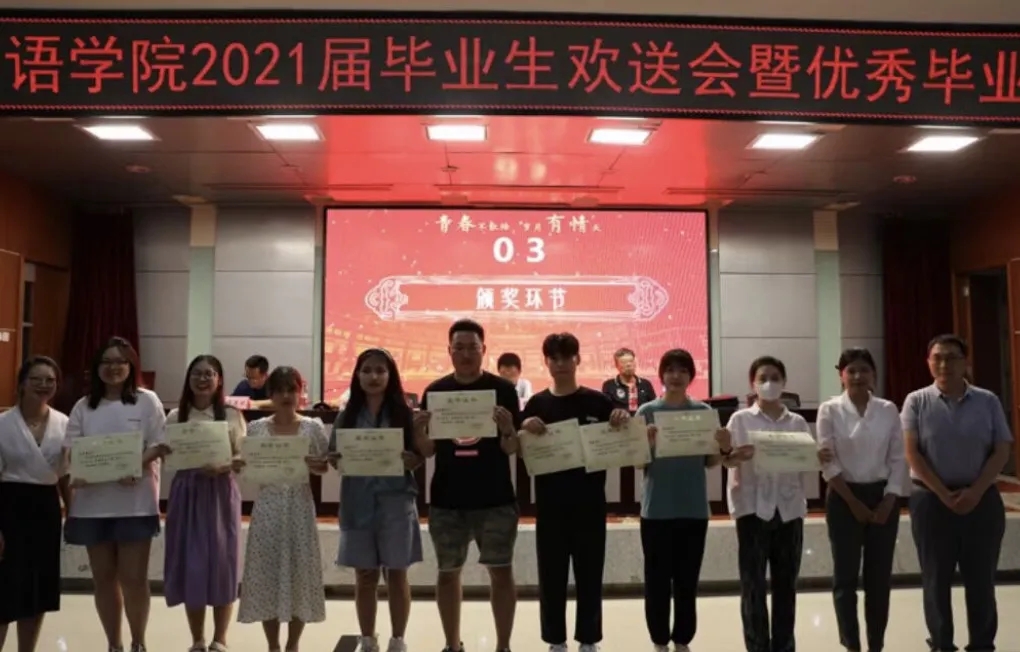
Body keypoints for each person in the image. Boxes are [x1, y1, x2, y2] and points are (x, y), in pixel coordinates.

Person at [413, 319, 521, 652]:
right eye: (458, 347)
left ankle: (503, 646)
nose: (465, 354)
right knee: (448, 573)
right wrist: (418, 430)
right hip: (447, 499)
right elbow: (428, 450)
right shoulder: (435, 391)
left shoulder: (503, 390)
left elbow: (511, 448)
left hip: (495, 497)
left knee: (501, 573)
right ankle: (452, 644)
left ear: (483, 350)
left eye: (472, 347)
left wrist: (508, 428)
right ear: (449, 351)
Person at [518, 333, 629, 652]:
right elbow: (521, 451)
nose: (561, 363)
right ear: (546, 362)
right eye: (554, 358)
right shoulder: (536, 405)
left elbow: (622, 440)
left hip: (590, 504)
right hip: (550, 506)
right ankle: (555, 640)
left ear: (578, 359)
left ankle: (589, 639)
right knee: (551, 575)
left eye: (567, 357)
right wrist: (525, 429)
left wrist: (622, 419)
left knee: (590, 575)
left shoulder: (599, 402)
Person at [902, 334, 1012, 652]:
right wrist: (942, 494)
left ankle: (982, 644)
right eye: (937, 358)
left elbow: (1002, 449)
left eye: (951, 357)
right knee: (935, 579)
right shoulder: (916, 401)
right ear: (928, 362)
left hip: (981, 500)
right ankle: (941, 643)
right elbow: (912, 453)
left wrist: (975, 492)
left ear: (965, 363)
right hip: (931, 501)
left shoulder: (987, 401)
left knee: (981, 579)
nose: (943, 364)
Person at [63, 336, 169, 652]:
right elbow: (71, 449)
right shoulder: (84, 406)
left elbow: (160, 443)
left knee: (134, 579)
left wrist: (136, 464)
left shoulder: (147, 401)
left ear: (131, 365)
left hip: (135, 503)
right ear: (96, 367)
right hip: (92, 505)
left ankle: (138, 642)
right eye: (106, 361)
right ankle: (114, 644)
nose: (113, 367)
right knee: (103, 579)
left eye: (120, 361)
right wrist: (78, 470)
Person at [329, 348, 424, 652]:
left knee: (397, 573)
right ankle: (368, 639)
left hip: (396, 502)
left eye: (380, 370)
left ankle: (398, 639)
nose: (373, 376)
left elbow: (419, 456)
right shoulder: (347, 416)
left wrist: (412, 459)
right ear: (357, 375)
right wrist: (336, 458)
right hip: (358, 501)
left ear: (390, 375)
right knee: (365, 574)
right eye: (367, 370)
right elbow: (335, 457)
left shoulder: (404, 414)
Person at [638, 349, 731, 652]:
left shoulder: (703, 412)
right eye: (670, 370)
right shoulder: (646, 412)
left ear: (691, 376)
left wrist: (721, 446)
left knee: (687, 580)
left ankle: (682, 640)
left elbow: (711, 461)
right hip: (656, 510)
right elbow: (637, 463)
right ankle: (659, 640)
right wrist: (645, 443)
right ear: (661, 375)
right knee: (656, 581)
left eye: (682, 370)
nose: (675, 376)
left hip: (693, 509)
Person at [816, 348, 906, 652]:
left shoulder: (888, 409)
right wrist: (853, 503)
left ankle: (876, 644)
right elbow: (828, 462)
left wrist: (889, 500)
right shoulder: (829, 410)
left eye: (864, 370)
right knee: (845, 578)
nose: (857, 376)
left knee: (879, 579)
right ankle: (851, 644)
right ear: (841, 375)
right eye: (851, 370)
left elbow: (898, 458)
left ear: (873, 375)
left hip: (883, 497)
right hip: (844, 497)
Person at [237, 366, 329, 652]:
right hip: (268, 507)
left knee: (299, 576)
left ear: (300, 392)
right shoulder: (256, 428)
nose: (286, 395)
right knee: (268, 577)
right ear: (271, 394)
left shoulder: (312, 427)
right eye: (279, 390)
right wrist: (241, 464)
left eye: (292, 389)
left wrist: (317, 465)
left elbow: (324, 465)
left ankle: (292, 645)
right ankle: (273, 646)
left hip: (299, 506)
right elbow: (248, 465)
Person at [723, 356, 810, 652]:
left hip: (789, 510)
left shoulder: (797, 422)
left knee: (787, 586)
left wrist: (815, 456)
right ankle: (757, 646)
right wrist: (736, 456)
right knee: (753, 586)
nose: (769, 383)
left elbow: (805, 463)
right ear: (753, 384)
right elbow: (726, 460)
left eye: (775, 377)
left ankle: (784, 646)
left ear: (784, 383)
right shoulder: (740, 420)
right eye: (763, 378)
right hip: (752, 509)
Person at [163, 355, 247, 652]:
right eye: (196, 374)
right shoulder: (176, 416)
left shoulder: (232, 415)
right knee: (192, 563)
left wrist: (225, 465)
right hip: (186, 492)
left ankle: (220, 638)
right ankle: (197, 639)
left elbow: (243, 456)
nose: (202, 379)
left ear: (219, 379)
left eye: (209, 374)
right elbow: (167, 453)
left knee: (223, 561)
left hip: (220, 491)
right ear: (188, 379)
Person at [0, 356, 69, 652]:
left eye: (50, 380)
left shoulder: (64, 423)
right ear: (22, 384)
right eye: (36, 379)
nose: (43, 385)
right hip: (8, 508)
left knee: (36, 590)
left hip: (46, 509)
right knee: (4, 588)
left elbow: (65, 476)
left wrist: (73, 513)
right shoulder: (3, 423)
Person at [601, 348, 656, 414]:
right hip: (621, 420)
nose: (628, 365)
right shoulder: (609, 385)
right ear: (616, 365)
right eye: (624, 362)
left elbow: (654, 407)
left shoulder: (645, 384)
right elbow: (605, 410)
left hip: (642, 419)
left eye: (631, 361)